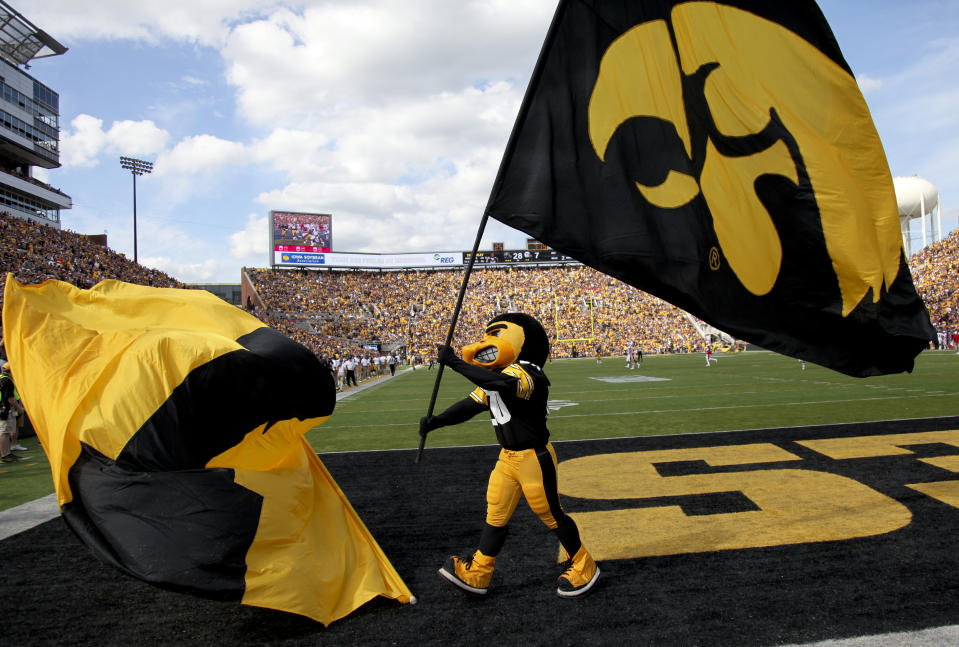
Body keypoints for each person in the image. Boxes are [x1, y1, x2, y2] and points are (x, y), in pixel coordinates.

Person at [420, 313, 600, 598]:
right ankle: (480, 572)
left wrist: (454, 362)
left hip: (533, 457)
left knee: (550, 514)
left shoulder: (526, 371)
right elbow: (470, 404)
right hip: (508, 458)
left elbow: (500, 386)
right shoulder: (499, 376)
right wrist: (437, 422)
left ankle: (584, 564)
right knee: (496, 513)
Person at [0, 361, 24, 462]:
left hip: (3, 407)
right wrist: (19, 408)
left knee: (5, 432)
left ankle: (7, 453)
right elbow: (10, 398)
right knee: (4, 432)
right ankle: (5, 454)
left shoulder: (2, 378)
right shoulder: (7, 381)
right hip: (5, 407)